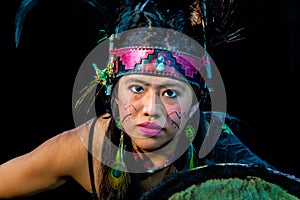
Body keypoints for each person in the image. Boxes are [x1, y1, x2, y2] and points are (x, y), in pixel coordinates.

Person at [1, 0, 299, 199]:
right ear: (113, 96)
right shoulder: (86, 147)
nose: (151, 110)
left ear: (196, 102)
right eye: (137, 89)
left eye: (170, 93)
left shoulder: (226, 157)